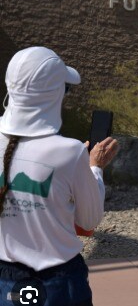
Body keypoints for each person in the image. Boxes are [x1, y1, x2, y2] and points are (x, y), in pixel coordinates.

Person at [0, 46, 118, 306]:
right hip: (58, 282)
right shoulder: (70, 152)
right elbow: (89, 218)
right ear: (54, 95)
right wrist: (95, 167)